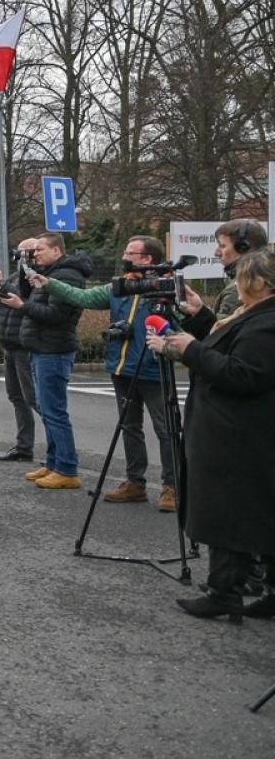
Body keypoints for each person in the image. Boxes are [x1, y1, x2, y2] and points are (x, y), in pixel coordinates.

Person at [146, 249, 275, 620]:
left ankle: (224, 593)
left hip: (238, 434)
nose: (236, 285)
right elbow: (229, 346)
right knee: (255, 511)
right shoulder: (255, 315)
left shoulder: (267, 323)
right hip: (237, 430)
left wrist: (189, 349)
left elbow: (242, 374)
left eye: (241, 279)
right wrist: (200, 317)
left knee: (228, 512)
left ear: (260, 283)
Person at [35, 235, 179, 510]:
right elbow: (84, 297)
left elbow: (185, 324)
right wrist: (49, 283)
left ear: (148, 259)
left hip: (153, 368)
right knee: (129, 427)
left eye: (130, 252)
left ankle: (172, 486)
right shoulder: (119, 287)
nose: (124, 256)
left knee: (165, 430)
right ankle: (134, 482)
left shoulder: (167, 287)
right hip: (122, 368)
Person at [0, 232, 92, 490]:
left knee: (54, 411)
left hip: (54, 350)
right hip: (41, 348)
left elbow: (56, 315)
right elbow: (30, 295)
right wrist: (24, 270)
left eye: (39, 250)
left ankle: (67, 468)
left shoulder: (67, 277)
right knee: (48, 410)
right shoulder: (50, 273)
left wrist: (22, 307)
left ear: (56, 251)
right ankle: (53, 463)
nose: (35, 254)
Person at [0, 238, 42, 463]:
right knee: (16, 397)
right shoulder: (14, 278)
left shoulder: (38, 279)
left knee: (35, 399)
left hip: (26, 348)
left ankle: (58, 449)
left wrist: (3, 283)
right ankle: (24, 447)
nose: (19, 257)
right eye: (18, 253)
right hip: (10, 346)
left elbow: (26, 300)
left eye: (24, 253)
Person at [209, 219, 269, 317]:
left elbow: (220, 331)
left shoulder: (241, 290)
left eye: (222, 246)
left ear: (243, 247)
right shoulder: (267, 279)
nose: (217, 253)